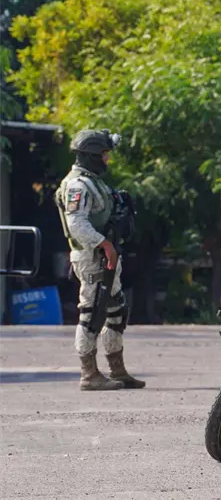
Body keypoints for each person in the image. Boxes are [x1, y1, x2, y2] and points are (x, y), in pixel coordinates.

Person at [55, 129, 144, 391]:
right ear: (91, 155)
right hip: (92, 256)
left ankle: (117, 369)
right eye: (104, 155)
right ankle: (89, 373)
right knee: (92, 313)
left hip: (105, 256)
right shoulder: (78, 185)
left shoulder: (93, 181)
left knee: (116, 311)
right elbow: (77, 224)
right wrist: (104, 244)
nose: (107, 160)